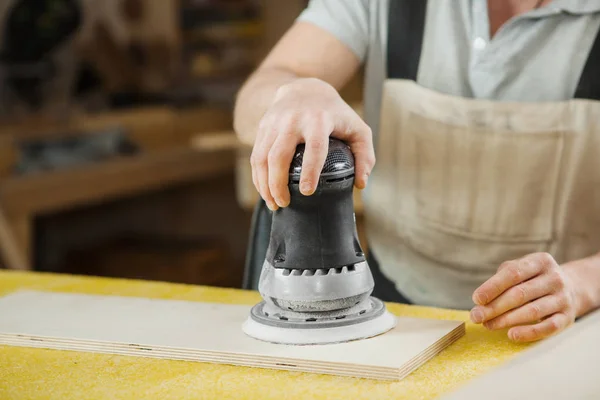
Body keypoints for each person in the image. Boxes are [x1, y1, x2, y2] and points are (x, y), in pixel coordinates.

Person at [233, 0, 600, 343]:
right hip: (396, 307)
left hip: (561, 327)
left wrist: (583, 282)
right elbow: (252, 100)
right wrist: (293, 94)